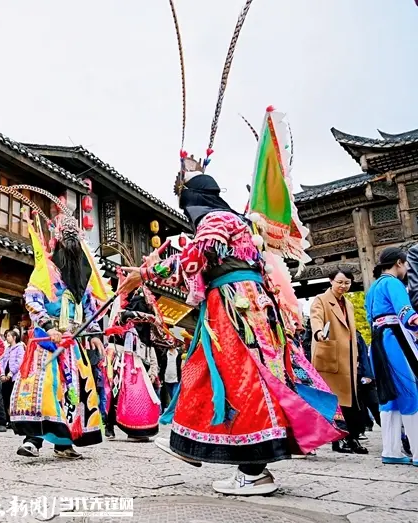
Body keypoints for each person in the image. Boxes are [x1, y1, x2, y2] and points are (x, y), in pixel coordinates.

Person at [119, 171, 342, 496]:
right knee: (214, 372)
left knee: (240, 378)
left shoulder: (216, 219)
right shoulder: (240, 223)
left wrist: (144, 274)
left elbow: (196, 258)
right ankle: (194, 445)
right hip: (248, 305)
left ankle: (253, 469)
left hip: (235, 307)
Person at [12, 212, 104, 460]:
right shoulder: (46, 270)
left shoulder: (80, 275)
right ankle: (33, 439)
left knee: (71, 391)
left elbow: (89, 305)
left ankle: (64, 442)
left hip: (71, 343)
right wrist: (48, 325)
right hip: (46, 341)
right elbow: (32, 300)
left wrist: (94, 332)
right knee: (45, 390)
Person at [364, 247, 418, 466]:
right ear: (399, 262)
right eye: (405, 264)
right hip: (394, 339)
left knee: (389, 396)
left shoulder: (372, 288)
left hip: (377, 343)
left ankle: (391, 450)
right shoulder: (393, 283)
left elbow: (370, 317)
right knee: (409, 391)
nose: (406, 268)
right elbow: (406, 312)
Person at [310, 268, 368, 454]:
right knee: (336, 401)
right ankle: (338, 440)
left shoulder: (349, 304)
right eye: (340, 282)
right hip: (330, 355)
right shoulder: (321, 300)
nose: (343, 286)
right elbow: (316, 319)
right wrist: (319, 333)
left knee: (352, 401)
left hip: (348, 358)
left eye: (347, 283)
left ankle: (351, 438)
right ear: (331, 281)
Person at [356, 330, 379, 437]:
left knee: (374, 404)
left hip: (362, 375)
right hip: (348, 377)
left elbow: (364, 356)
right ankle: (359, 430)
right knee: (359, 407)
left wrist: (369, 375)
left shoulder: (357, 336)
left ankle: (400, 436)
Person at [0, 329, 25, 429]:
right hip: (5, 375)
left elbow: (19, 362)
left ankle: (14, 420)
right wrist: (2, 374)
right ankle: (7, 419)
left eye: (9, 336)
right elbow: (2, 361)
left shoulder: (20, 348)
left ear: (14, 337)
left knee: (13, 398)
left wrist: (10, 373)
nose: (7, 337)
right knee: (5, 397)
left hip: (14, 376)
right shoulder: (7, 349)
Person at [160, 343, 182, 410]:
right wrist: (161, 378)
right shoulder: (164, 354)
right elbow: (162, 367)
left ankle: (175, 413)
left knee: (174, 396)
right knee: (172, 397)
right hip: (167, 379)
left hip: (176, 379)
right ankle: (174, 413)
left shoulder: (179, 353)